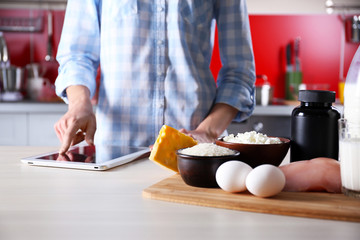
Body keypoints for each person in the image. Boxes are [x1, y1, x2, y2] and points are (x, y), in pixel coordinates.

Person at [54, 0, 255, 154]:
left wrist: (208, 132)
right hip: (114, 152)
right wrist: (80, 103)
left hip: (195, 150)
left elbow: (240, 71)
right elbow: (77, 55)